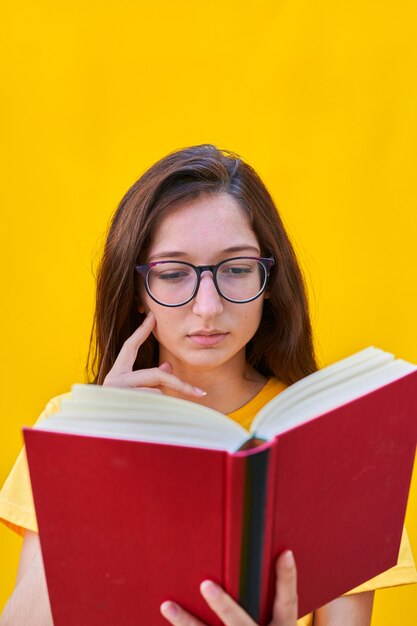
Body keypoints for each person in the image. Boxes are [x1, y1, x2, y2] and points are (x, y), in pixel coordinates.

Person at [0, 144, 416, 626]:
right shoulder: (69, 429)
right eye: (174, 274)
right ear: (136, 292)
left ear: (269, 275)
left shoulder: (341, 442)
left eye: (236, 269)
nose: (208, 307)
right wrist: (95, 455)